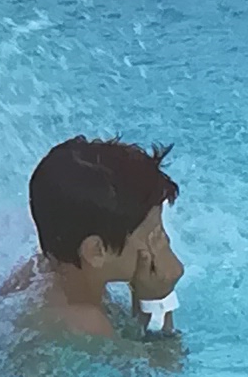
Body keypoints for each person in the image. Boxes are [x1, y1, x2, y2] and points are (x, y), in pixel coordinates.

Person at [14, 137, 185, 340]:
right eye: (155, 233)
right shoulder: (87, 325)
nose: (165, 242)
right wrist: (158, 301)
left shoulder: (40, 270)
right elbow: (161, 360)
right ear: (96, 251)